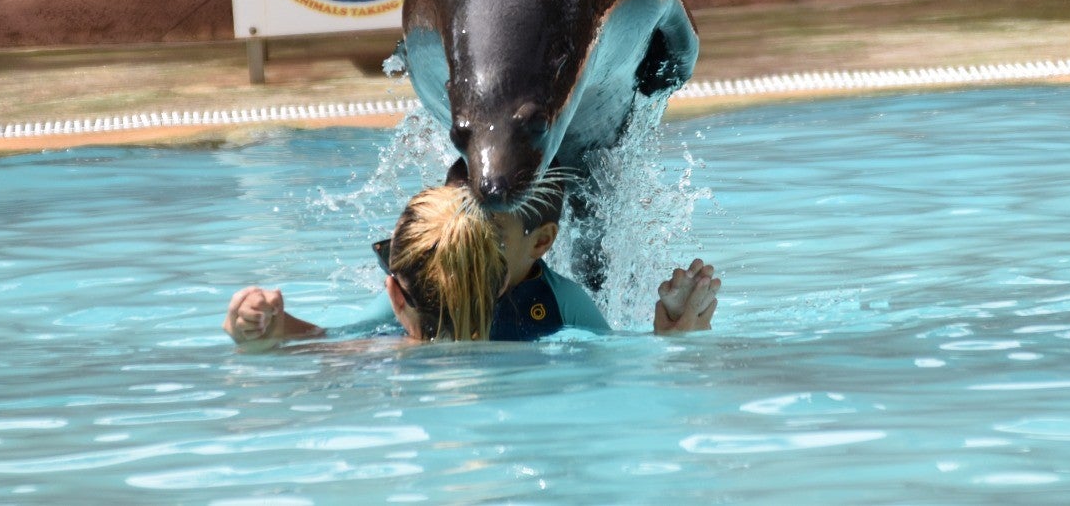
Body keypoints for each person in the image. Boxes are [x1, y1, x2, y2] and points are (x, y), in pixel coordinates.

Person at [224, 184, 719, 345]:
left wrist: (273, 333)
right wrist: (672, 346)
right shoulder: (429, 287)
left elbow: (327, 347)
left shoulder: (560, 302)